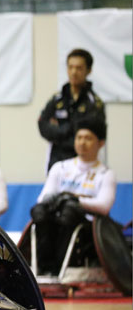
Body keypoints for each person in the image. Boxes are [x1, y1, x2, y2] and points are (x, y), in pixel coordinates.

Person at [30, 117, 115, 275]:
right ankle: (43, 267)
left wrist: (75, 199)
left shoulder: (105, 174)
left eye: (88, 138)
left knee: (69, 210)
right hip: (57, 217)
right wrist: (59, 200)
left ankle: (61, 267)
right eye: (79, 137)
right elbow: (43, 198)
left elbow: (104, 206)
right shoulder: (60, 167)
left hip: (86, 226)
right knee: (39, 211)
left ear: (101, 143)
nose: (82, 142)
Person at [38, 48, 106, 173]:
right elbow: (43, 125)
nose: (74, 72)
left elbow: (94, 135)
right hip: (57, 162)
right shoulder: (57, 99)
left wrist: (60, 131)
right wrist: (68, 129)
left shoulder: (94, 103)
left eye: (79, 68)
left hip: (85, 164)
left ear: (89, 71)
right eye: (70, 67)